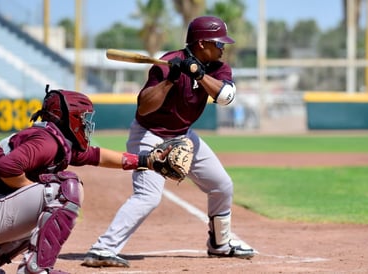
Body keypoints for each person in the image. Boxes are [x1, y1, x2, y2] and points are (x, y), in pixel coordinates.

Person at [82, 15, 256, 269]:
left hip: (183, 135)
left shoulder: (218, 68)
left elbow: (226, 97)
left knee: (222, 185)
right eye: (218, 43)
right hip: (149, 134)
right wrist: (170, 80)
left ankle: (220, 245)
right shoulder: (165, 65)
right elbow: (144, 107)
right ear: (201, 43)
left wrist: (197, 74)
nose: (223, 48)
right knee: (148, 196)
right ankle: (102, 249)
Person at [0, 86, 170, 274]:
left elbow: (97, 156)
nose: (85, 123)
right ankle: (35, 268)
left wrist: (147, 161)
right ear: (67, 117)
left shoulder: (54, 138)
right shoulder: (46, 141)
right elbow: (7, 168)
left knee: (48, 207)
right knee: (64, 189)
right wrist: (35, 192)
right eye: (81, 117)